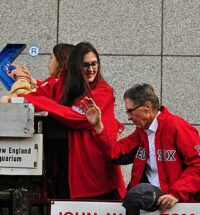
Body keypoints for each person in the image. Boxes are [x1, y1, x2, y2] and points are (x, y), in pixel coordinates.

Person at [12, 42, 125, 199]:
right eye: (85, 65)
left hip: (93, 171)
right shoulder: (64, 83)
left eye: (94, 64)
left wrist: (28, 98)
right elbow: (41, 93)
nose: (91, 70)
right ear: (75, 66)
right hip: (67, 166)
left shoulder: (103, 91)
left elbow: (77, 116)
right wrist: (17, 97)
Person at [82, 83, 200, 210]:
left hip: (176, 208)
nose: (128, 117)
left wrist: (176, 193)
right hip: (148, 207)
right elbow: (116, 153)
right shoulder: (142, 132)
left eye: (130, 111)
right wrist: (98, 125)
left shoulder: (177, 126)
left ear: (147, 107)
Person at [0, 43, 74, 102]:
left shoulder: (56, 84)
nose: (49, 61)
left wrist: (22, 78)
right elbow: (44, 88)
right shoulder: (64, 82)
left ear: (61, 63)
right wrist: (31, 79)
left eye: (51, 58)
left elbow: (22, 100)